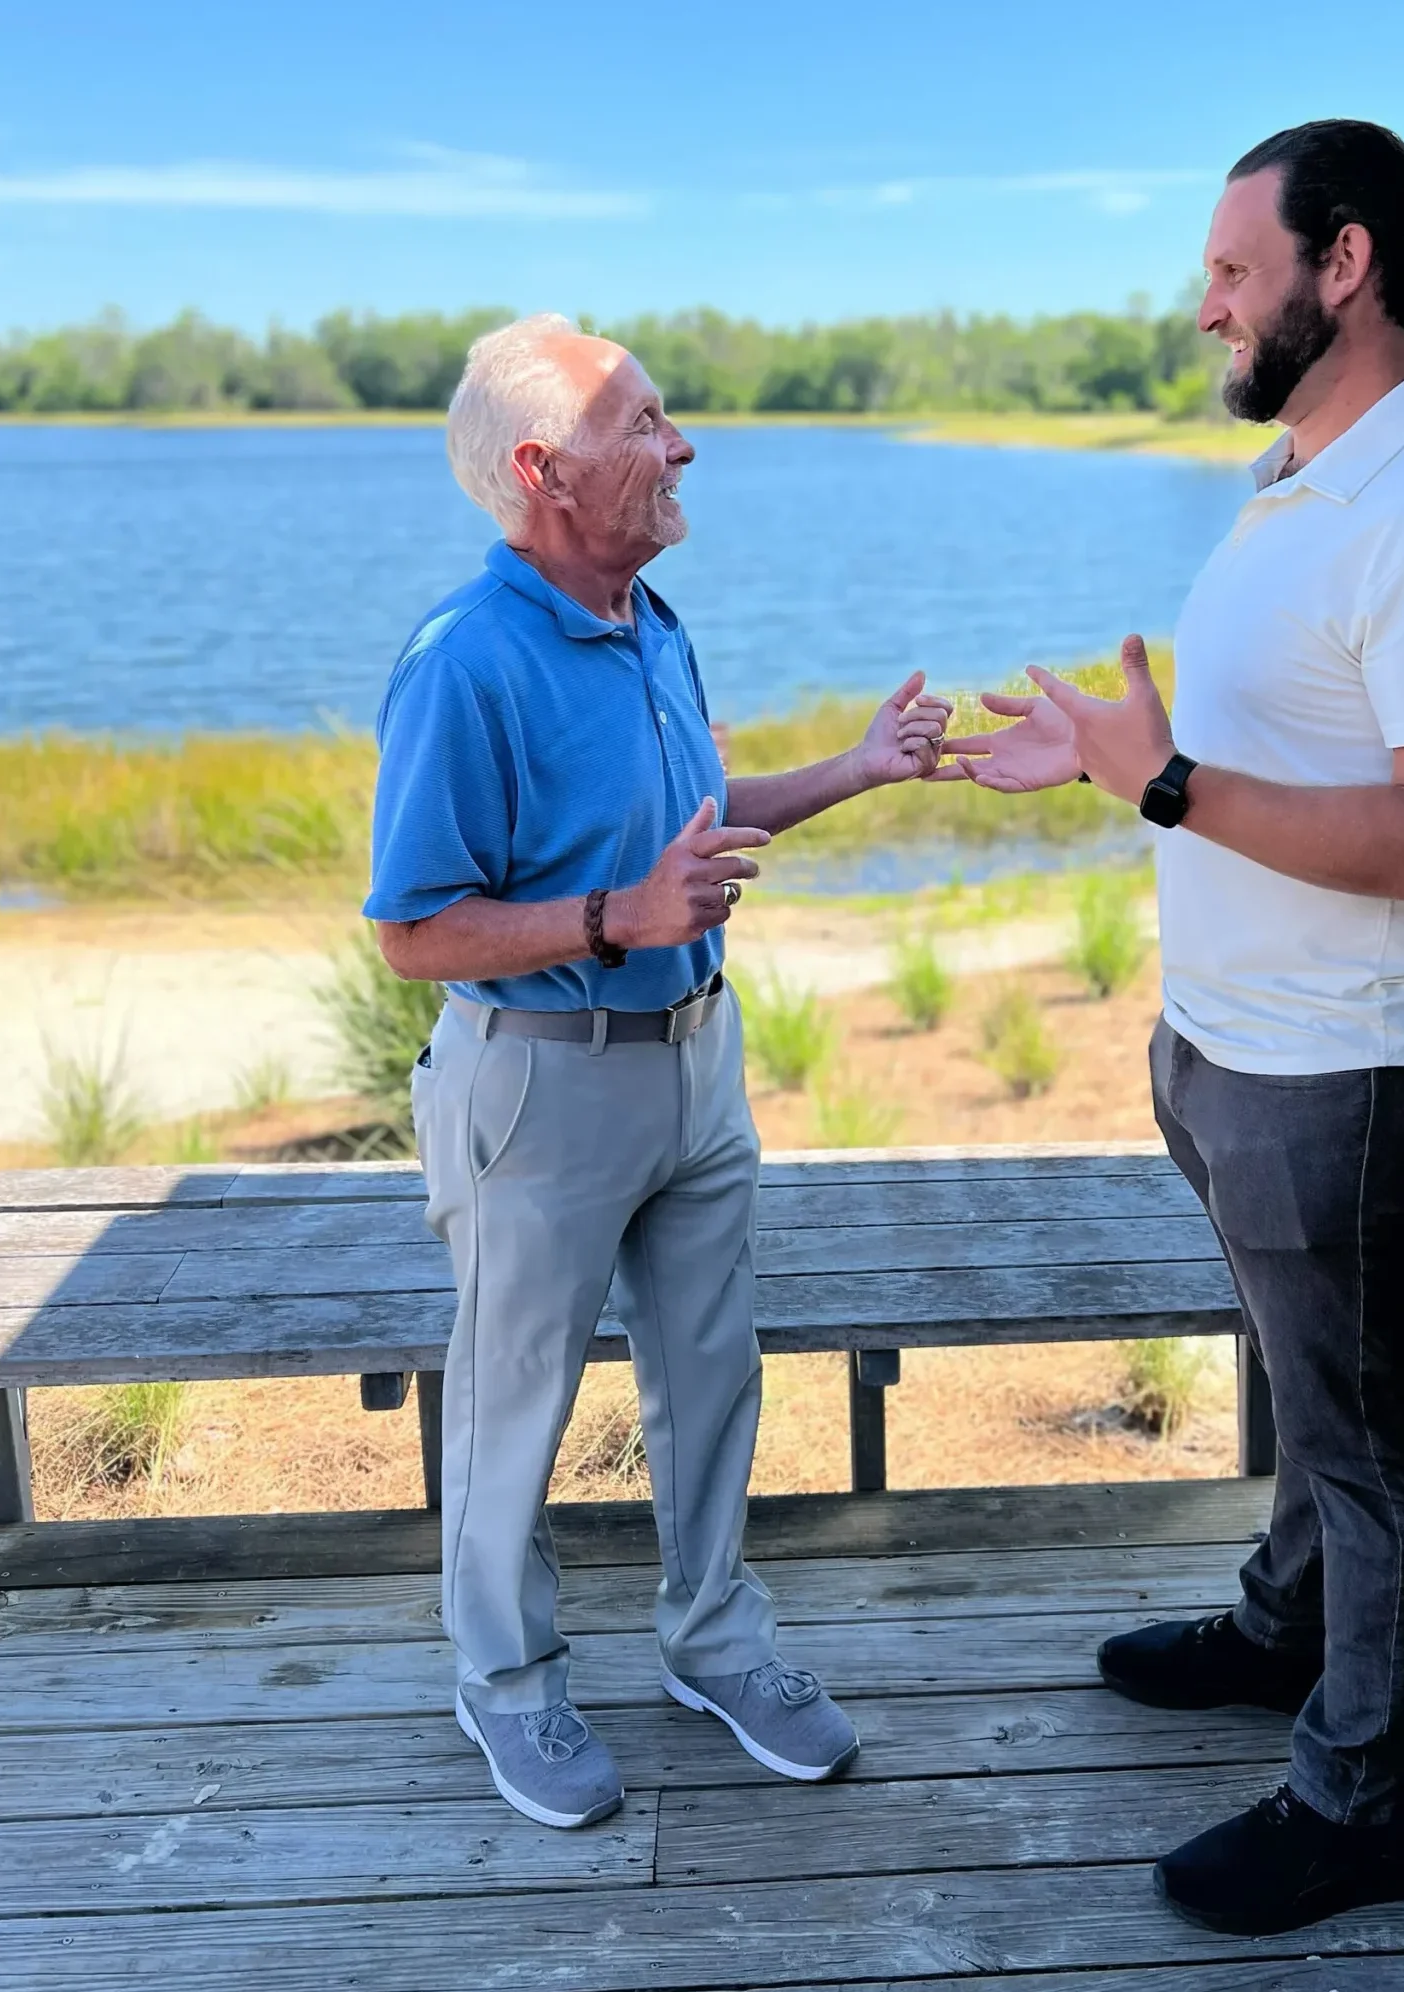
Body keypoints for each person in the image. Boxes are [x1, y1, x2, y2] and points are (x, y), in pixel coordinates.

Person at [938, 121, 1404, 1934]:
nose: (1201, 303)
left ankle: (1365, 1801)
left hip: (1345, 1071)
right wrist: (1111, 765)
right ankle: (1291, 1632)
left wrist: (1172, 789)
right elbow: (1268, 757)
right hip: (1236, 1048)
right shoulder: (1302, 477)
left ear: (1341, 264)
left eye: (1231, 269)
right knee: (1313, 1383)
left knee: (1362, 1434)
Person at [365, 313, 950, 1829]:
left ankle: (712, 1644)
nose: (681, 445)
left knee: (712, 1376)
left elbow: (700, 813)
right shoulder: (461, 663)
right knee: (517, 1405)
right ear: (547, 470)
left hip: (699, 1064)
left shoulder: (652, 617)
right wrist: (614, 918)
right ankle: (505, 1690)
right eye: (646, 424)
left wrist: (857, 768)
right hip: (540, 1090)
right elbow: (412, 934)